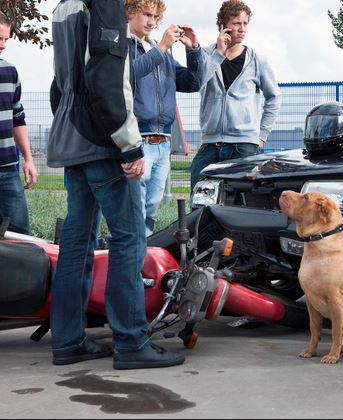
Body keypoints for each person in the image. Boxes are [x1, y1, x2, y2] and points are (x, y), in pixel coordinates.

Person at [48, 0, 185, 370]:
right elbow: (108, 78)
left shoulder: (63, 7)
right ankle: (131, 342)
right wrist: (129, 145)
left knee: (76, 244)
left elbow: (59, 84)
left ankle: (67, 341)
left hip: (72, 138)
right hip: (102, 141)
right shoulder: (104, 4)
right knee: (130, 239)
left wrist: (69, 122)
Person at [126, 0, 203, 237]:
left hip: (163, 141)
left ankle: (143, 254)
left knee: (151, 209)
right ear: (130, 12)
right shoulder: (124, 47)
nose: (152, 22)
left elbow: (192, 83)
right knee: (135, 209)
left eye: (156, 17)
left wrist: (193, 50)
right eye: (147, 14)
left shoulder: (162, 53)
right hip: (139, 138)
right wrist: (161, 48)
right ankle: (134, 259)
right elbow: (129, 76)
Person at [189, 0, 281, 190]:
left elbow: (274, 97)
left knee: (241, 202)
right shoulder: (206, 54)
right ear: (223, 25)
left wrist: (261, 135)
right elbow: (197, 82)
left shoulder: (257, 60)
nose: (242, 29)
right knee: (199, 199)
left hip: (244, 145)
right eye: (236, 23)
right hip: (209, 143)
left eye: (245, 24)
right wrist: (219, 53)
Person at [0, 12, 37, 235]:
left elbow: (18, 117)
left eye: (5, 39)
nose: (3, 45)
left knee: (22, 238)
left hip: (7, 172)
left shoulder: (10, 72)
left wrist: (29, 159)